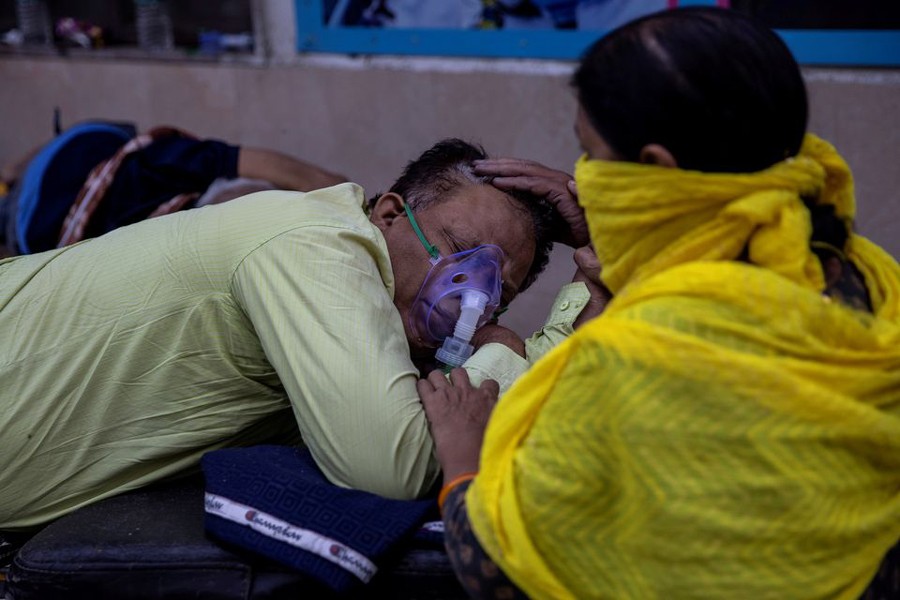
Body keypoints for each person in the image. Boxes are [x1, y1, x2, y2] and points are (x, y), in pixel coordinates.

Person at [419, 7, 900, 599]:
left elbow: (498, 570)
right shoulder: (867, 274)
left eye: (590, 156)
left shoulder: (637, 357)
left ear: (653, 169)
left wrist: (463, 457)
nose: (579, 177)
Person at [0, 137, 599, 533]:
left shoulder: (380, 337)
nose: (472, 297)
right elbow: (391, 468)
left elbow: (544, 393)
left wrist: (601, 262)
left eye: (500, 289)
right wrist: (502, 350)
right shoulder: (315, 243)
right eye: (458, 252)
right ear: (389, 213)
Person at [0, 120, 348, 257]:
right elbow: (292, 171)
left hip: (29, 226)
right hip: (79, 150)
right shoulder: (174, 165)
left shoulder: (167, 250)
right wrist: (352, 202)